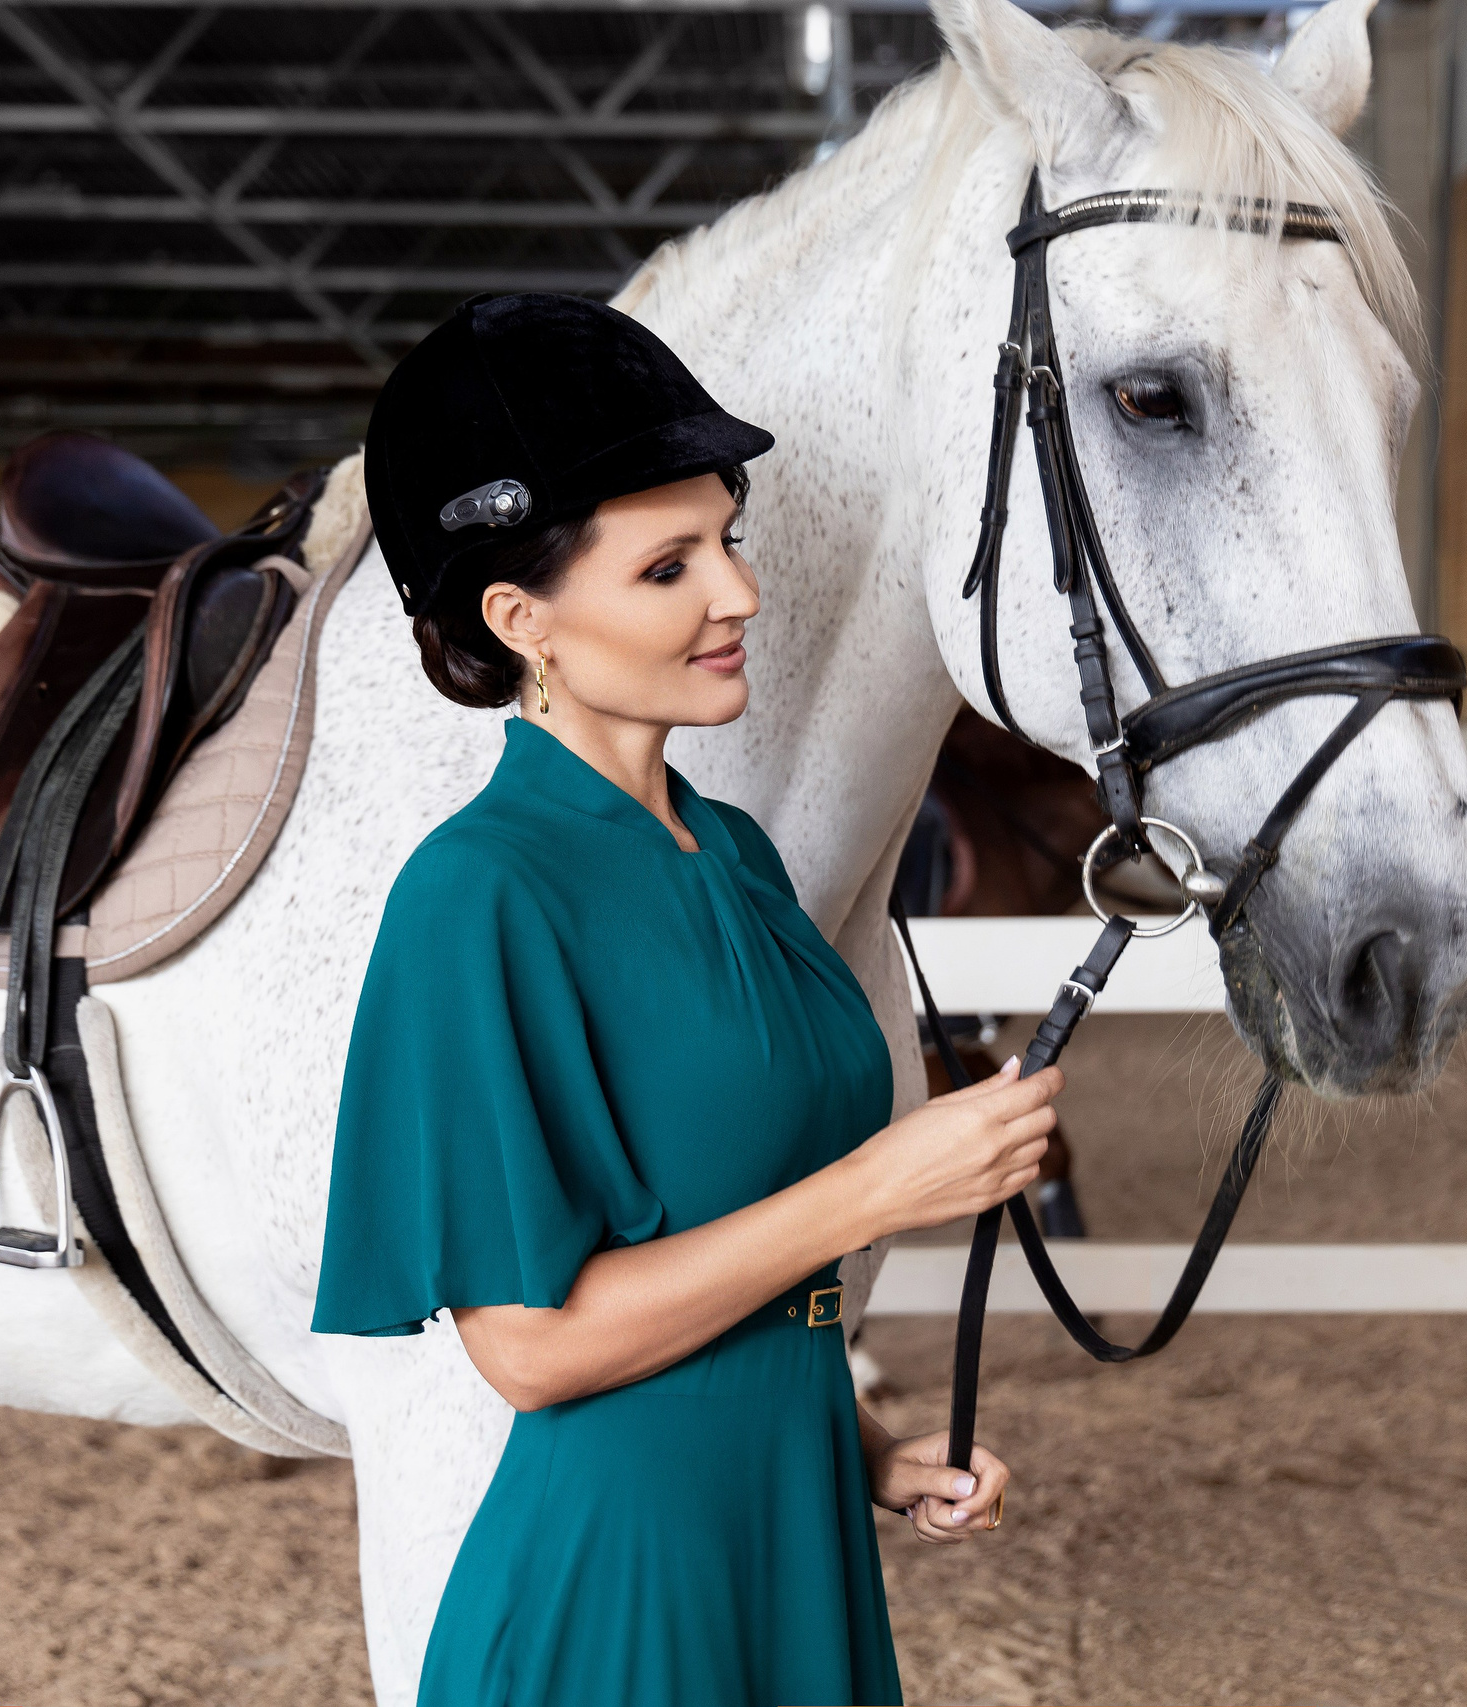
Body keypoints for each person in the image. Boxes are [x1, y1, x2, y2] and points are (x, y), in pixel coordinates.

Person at [312, 292, 1063, 1707]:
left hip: (787, 1535)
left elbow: (734, 1272)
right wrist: (876, 1191)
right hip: (624, 1588)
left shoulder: (736, 856)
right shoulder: (479, 894)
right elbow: (531, 1350)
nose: (740, 594)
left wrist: (865, 1465)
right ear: (521, 617)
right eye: (670, 566)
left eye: (729, 536)